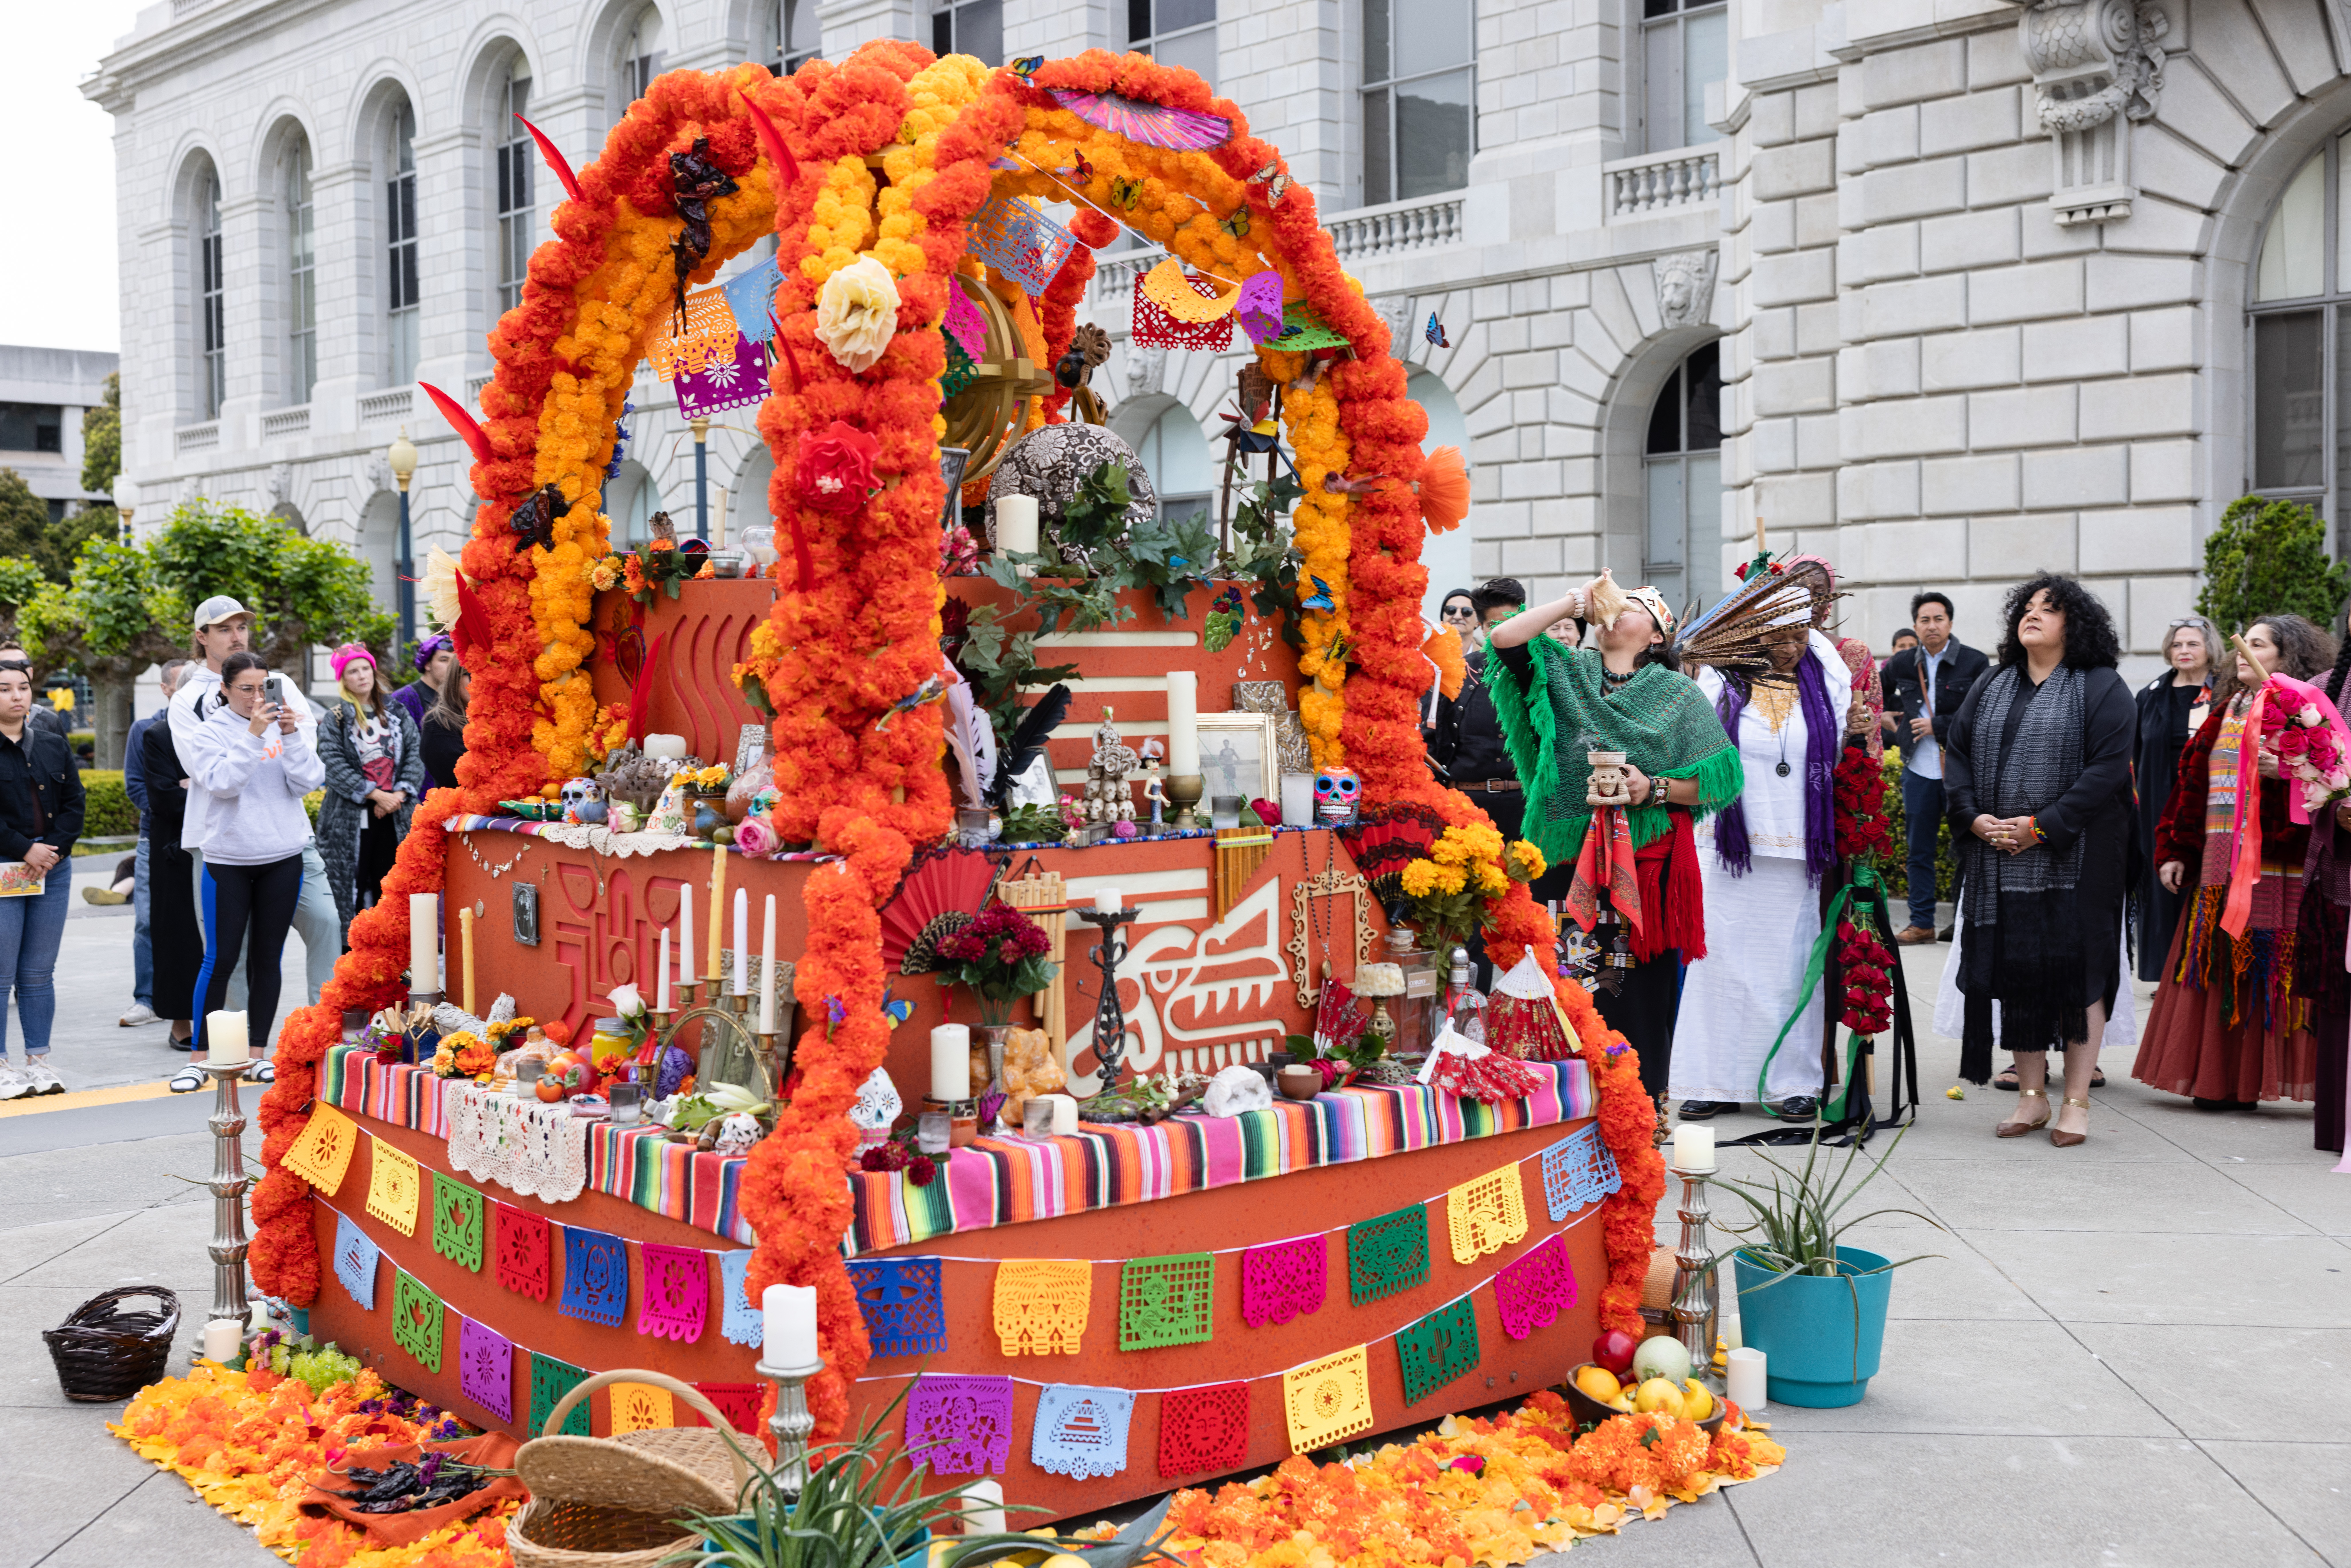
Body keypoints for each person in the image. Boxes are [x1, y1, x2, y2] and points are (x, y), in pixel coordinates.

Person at [1484, 571, 1743, 1102]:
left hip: (1641, 862)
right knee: (1557, 979)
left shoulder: (1676, 694)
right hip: (1562, 855)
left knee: (1631, 990)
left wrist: (1653, 787)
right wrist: (1574, 602)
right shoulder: (1566, 668)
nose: (1616, 610)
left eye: (1632, 606)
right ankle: (1550, 1101)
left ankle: (1637, 1102)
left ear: (1655, 635)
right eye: (1614, 602)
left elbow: (1720, 779)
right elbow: (1504, 638)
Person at [1945, 576, 2135, 1146]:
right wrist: (1975, 817)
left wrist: (2040, 826)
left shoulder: (2104, 687)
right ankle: (2031, 1096)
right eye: (2025, 608)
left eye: (2047, 610)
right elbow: (1958, 754)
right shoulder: (1992, 682)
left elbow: (2106, 772)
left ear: (2073, 623)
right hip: (1997, 854)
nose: (2032, 616)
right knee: (2016, 969)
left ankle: (2076, 1102)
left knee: (2080, 974)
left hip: (2080, 860)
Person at [2134, 615, 2336, 1115]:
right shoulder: (2225, 708)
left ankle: (2262, 1078)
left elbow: (2333, 779)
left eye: (2259, 643)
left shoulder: (2301, 711)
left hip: (2276, 866)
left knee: (2269, 966)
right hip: (2219, 866)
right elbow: (2189, 786)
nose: (2243, 649)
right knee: (2216, 964)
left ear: (2286, 658)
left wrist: (2290, 769)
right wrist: (2175, 850)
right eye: (2244, 642)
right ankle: (2218, 1077)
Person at [1675, 610, 1851, 1121]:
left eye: (1800, 636)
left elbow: (1839, 735)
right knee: (1720, 965)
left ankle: (1793, 1082)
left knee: (1791, 966)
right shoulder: (1720, 682)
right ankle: (1712, 1081)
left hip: (1796, 850)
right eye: (1779, 635)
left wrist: (1787, 604)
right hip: (1727, 844)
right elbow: (1694, 747)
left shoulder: (1824, 686)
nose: (1792, 647)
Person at [169, 596, 342, 1010]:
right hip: (221, 841)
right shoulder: (187, 699)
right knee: (232, 950)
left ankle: (328, 1027)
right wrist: (255, 734)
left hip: (288, 837)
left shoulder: (279, 684)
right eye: (225, 629)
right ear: (201, 637)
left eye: (242, 627)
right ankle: (242, 1045)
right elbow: (212, 778)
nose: (236, 635)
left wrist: (282, 736)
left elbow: (305, 763)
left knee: (326, 921)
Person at [182, 651, 324, 1072]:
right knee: (221, 959)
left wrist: (292, 735)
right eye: (246, 689)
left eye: (264, 687)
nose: (256, 696)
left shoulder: (283, 728)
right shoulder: (209, 733)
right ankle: (199, 1056)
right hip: (229, 859)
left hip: (283, 855)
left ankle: (258, 1053)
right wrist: (253, 735)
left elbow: (308, 782)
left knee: (269, 957)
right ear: (224, 690)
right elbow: (224, 785)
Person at [1429, 582, 1539, 986]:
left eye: (1511, 622)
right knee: (1470, 910)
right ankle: (1471, 1000)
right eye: (1491, 623)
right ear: (1479, 624)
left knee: (1527, 909)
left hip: (1521, 806)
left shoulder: (1537, 671)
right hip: (1469, 807)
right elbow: (1431, 737)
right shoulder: (1459, 670)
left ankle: (1526, 1003)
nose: (1500, 633)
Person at [1881, 591, 1989, 943]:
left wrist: (1937, 725)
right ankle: (1921, 922)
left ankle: (1961, 922)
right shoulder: (1899, 664)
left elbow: (1984, 714)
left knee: (1967, 847)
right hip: (1917, 768)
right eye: (1924, 620)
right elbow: (1874, 698)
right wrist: (1893, 727)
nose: (1931, 626)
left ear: (1950, 623)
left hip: (1959, 769)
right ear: (1915, 625)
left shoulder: (1973, 663)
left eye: (1938, 619)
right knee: (1919, 850)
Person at [0, 657, 82, 1099]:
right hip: (6, 869)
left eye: (23, 688)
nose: (17, 696)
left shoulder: (51, 743)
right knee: (1, 971)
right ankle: (1, 1063)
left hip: (51, 866)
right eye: (5, 689)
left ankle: (38, 1059)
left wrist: (51, 851)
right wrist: (24, 849)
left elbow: (74, 802)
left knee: (38, 972)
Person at [316, 644, 425, 943]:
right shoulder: (335, 718)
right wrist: (376, 795)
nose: (362, 675)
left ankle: (391, 954)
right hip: (349, 819)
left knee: (390, 885)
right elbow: (333, 764)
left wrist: (397, 797)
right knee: (353, 887)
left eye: (365, 668)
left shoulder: (397, 711)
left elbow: (415, 756)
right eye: (353, 671)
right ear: (343, 679)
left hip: (395, 814)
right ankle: (354, 956)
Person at [2132, 618, 2217, 984]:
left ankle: (2198, 966)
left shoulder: (2222, 694)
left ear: (2209, 649)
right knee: (2159, 882)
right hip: (2155, 801)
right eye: (2177, 645)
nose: (2183, 651)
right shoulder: (2150, 694)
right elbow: (2134, 751)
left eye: (2192, 645)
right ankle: (2165, 971)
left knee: (2198, 876)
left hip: (2204, 803)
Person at [110, 658, 193, 1026]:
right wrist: (168, 805)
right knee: (147, 921)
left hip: (199, 839)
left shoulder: (203, 729)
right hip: (155, 838)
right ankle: (145, 998)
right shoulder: (148, 729)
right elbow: (138, 787)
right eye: (181, 687)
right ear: (165, 689)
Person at [2299, 637, 2351, 1155]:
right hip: (2340, 869)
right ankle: (2339, 1123)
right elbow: (2304, 776)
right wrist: (2335, 808)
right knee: (2340, 1001)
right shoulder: (2320, 693)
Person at [142, 696, 207, 1075]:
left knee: (214, 940)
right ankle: (180, 1024)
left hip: (218, 845)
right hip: (173, 852)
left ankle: (220, 1019)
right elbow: (164, 796)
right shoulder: (158, 735)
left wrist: (195, 785)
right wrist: (204, 788)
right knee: (177, 937)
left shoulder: (221, 729)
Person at [421, 663, 471, 794]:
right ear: (455, 678)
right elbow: (460, 778)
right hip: (463, 810)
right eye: (471, 675)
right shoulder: (438, 722)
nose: (479, 682)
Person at [393, 633, 455, 730]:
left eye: (454, 662)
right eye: (444, 660)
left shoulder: (456, 696)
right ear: (427, 664)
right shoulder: (404, 698)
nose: (451, 667)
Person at [1438, 589, 1479, 657]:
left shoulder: (1488, 659)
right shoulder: (1427, 656)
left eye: (1467, 611)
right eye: (1451, 610)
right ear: (1443, 619)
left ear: (1478, 621)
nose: (1458, 617)